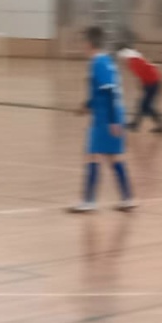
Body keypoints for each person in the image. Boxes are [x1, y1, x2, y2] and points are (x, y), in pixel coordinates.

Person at [70, 27, 135, 213]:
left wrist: (113, 121)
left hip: (107, 117)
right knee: (112, 157)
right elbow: (101, 92)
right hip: (108, 114)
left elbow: (110, 92)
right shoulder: (106, 61)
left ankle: (89, 201)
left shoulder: (98, 62)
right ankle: (127, 198)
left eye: (83, 42)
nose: (82, 46)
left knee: (93, 155)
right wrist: (86, 106)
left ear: (89, 43)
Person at [116, 44, 162, 133]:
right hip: (151, 82)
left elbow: (144, 71)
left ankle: (161, 126)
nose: (122, 61)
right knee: (143, 105)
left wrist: (143, 84)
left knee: (146, 106)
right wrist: (143, 84)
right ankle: (136, 125)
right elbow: (144, 71)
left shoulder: (134, 61)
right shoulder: (135, 59)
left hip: (153, 83)